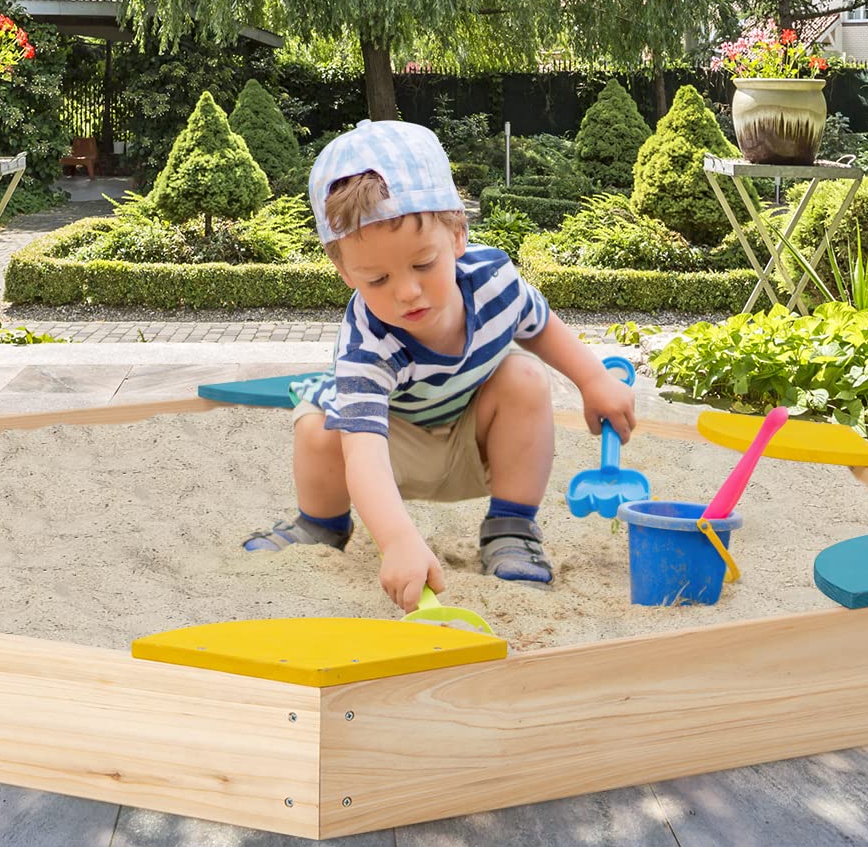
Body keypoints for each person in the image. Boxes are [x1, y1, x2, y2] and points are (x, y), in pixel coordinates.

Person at [243, 118, 637, 611]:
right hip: (390, 451)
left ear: (457, 234)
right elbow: (363, 452)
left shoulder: (494, 281)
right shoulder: (369, 339)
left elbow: (540, 327)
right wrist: (397, 541)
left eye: (423, 265)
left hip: (475, 443)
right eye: (377, 278)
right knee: (320, 423)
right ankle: (321, 524)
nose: (405, 292)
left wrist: (593, 379)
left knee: (525, 377)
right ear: (344, 272)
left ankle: (511, 527)